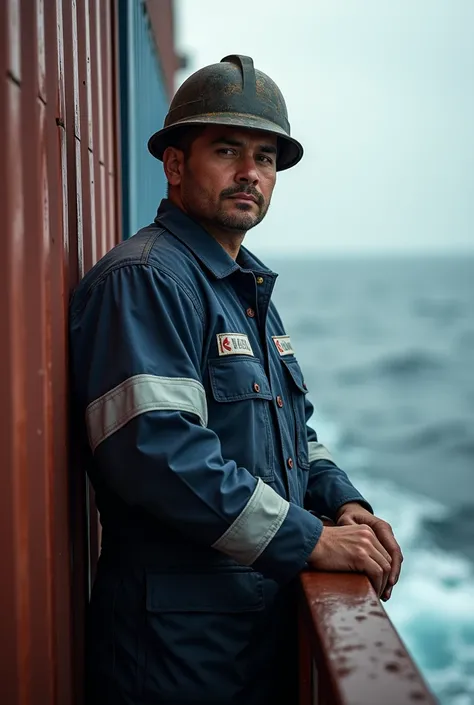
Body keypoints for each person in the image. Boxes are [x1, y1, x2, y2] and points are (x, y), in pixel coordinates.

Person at [69, 54, 403, 705]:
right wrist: (311, 538)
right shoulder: (146, 279)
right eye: (227, 150)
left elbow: (292, 432)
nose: (250, 172)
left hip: (250, 636)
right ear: (174, 164)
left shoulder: (245, 289)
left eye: (267, 158)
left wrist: (344, 503)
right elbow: (158, 453)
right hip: (174, 656)